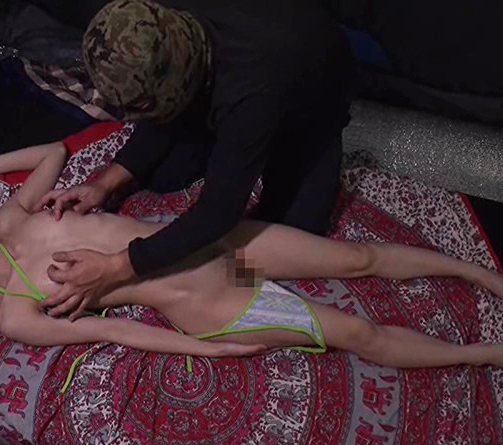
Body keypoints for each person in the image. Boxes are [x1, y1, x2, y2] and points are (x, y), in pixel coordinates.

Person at [0, 141, 503, 384]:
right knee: (358, 333)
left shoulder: (11, 220)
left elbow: (55, 153)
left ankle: (474, 273)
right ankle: (483, 354)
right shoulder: (16, 314)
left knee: (357, 258)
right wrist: (205, 351)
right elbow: (116, 331)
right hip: (207, 301)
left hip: (208, 245)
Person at [35, 0, 358, 316]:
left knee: (290, 238)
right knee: (164, 175)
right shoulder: (152, 21)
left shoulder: (249, 91)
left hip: (310, 93)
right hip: (228, 62)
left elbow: (218, 213)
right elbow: (158, 106)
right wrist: (105, 183)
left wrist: (118, 267)